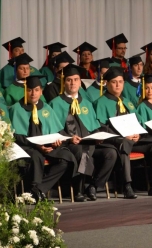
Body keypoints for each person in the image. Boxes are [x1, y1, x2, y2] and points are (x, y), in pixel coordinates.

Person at [93, 66, 152, 198]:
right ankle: (127, 185)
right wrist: (123, 135)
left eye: (120, 82)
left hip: (133, 139)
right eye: (114, 82)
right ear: (107, 83)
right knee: (124, 143)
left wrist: (138, 133)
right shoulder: (101, 102)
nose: (118, 85)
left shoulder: (128, 102)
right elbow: (101, 127)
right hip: (115, 140)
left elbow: (138, 122)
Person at [48, 65, 118, 202]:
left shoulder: (86, 103)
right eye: (69, 80)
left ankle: (93, 187)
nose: (73, 83)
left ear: (80, 82)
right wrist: (69, 138)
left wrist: (98, 137)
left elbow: (94, 126)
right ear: (64, 82)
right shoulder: (55, 104)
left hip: (90, 143)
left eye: (76, 79)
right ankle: (78, 190)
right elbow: (54, 129)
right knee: (81, 151)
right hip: (69, 144)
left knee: (111, 153)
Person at [10, 75, 78, 203]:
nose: (33, 93)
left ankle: (38, 189)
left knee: (65, 158)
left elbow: (57, 131)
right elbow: (16, 135)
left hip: (48, 145)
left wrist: (61, 140)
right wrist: (37, 145)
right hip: (28, 146)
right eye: (29, 90)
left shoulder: (46, 108)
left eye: (36, 90)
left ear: (41, 91)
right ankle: (36, 188)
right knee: (36, 156)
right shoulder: (16, 108)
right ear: (25, 90)